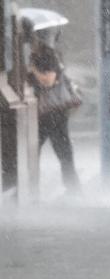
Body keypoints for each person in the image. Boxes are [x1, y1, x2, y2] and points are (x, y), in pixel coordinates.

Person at [27, 31, 81, 195]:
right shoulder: (38, 55)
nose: (29, 43)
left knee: (60, 150)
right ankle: (72, 188)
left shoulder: (47, 55)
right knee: (36, 150)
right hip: (46, 112)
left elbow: (48, 81)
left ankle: (73, 189)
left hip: (54, 112)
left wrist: (33, 70)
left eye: (31, 39)